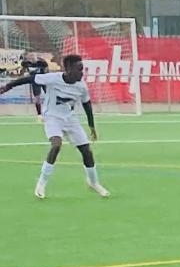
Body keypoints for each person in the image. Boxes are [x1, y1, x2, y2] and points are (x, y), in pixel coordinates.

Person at [0, 54, 110, 198]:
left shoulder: (81, 86)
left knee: (87, 151)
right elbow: (30, 79)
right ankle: (41, 183)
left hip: (70, 119)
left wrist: (92, 126)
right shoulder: (53, 78)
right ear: (69, 69)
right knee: (56, 145)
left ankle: (93, 182)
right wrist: (8, 86)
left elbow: (87, 104)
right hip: (52, 117)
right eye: (79, 69)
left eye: (82, 69)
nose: (82, 73)